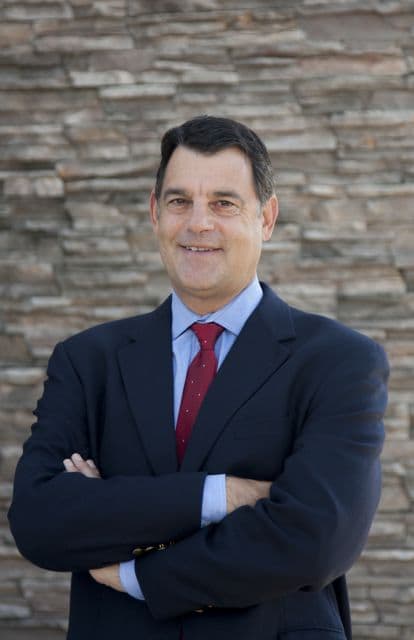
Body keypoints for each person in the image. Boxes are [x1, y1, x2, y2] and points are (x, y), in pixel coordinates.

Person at [8, 115, 389, 640]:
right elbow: (39, 521)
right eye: (179, 201)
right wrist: (221, 497)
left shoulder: (339, 361)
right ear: (154, 212)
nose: (198, 224)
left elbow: (315, 539)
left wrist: (133, 569)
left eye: (224, 203)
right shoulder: (87, 360)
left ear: (267, 218)